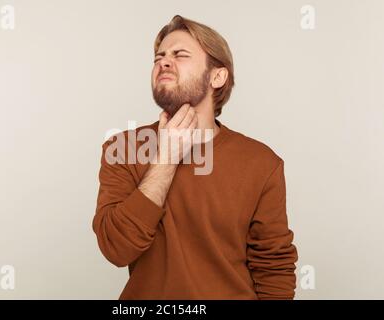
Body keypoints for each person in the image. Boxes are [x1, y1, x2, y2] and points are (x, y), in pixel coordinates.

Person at [93, 15, 298, 300]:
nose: (163, 62)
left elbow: (274, 268)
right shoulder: (123, 149)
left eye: (180, 55)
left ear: (217, 76)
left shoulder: (261, 163)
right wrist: (166, 158)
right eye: (159, 57)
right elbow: (116, 248)